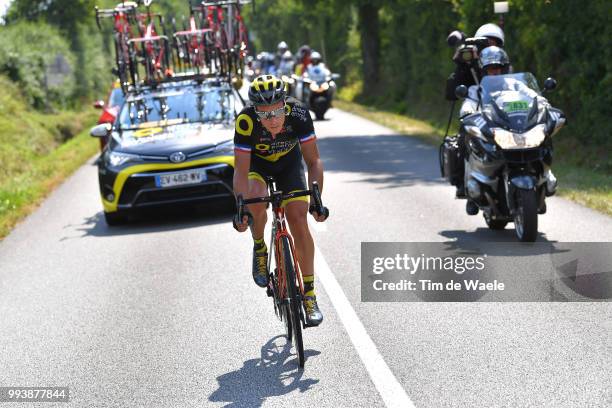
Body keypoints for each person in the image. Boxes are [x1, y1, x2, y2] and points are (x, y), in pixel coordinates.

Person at [232, 75, 328, 326]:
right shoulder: (245, 121)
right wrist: (240, 207)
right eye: (264, 114)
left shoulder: (298, 114)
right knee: (254, 197)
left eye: (276, 111)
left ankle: (309, 295)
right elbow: (241, 171)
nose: (272, 119)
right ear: (255, 112)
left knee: (298, 219)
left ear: (284, 104)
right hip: (258, 166)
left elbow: (314, 161)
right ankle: (260, 248)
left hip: (289, 165)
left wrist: (316, 198)